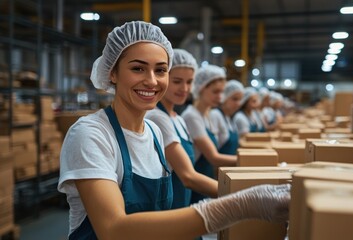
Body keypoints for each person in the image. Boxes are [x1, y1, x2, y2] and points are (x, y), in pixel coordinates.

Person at [57, 21, 290, 240]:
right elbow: (113, 229)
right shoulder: (91, 134)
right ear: (112, 73)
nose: (151, 81)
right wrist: (239, 205)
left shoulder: (155, 133)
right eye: (138, 68)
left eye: (160, 70)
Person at [146, 49, 217, 209]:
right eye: (177, 81)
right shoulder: (157, 117)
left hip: (184, 204)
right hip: (170, 209)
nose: (184, 88)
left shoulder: (179, 119)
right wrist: (237, 192)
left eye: (189, 82)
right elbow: (188, 177)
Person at [181, 64, 237, 203]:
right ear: (201, 88)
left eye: (222, 92)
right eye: (215, 91)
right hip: (197, 182)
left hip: (207, 176)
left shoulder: (208, 115)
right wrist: (250, 162)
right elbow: (213, 157)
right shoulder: (191, 116)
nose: (220, 97)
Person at [209, 79, 244, 155]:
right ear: (224, 97)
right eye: (235, 99)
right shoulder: (215, 115)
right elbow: (213, 154)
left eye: (240, 100)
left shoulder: (229, 118)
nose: (238, 103)